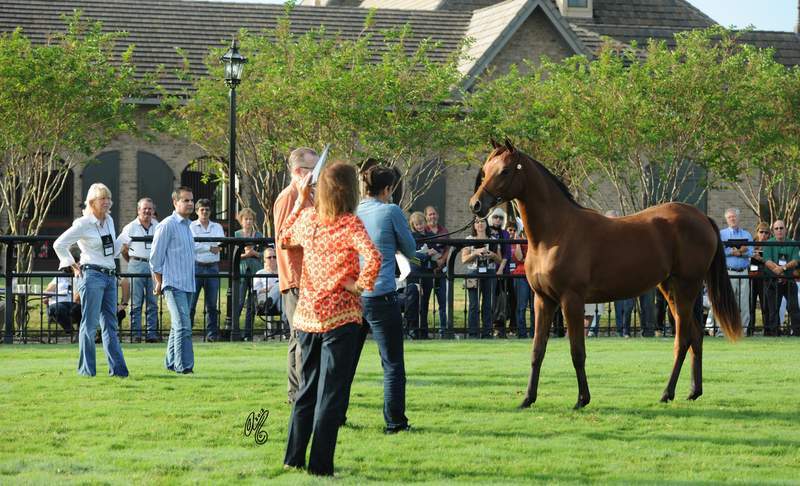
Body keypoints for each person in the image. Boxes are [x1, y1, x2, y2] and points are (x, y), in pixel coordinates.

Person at [281, 162, 381, 476]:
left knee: (306, 389)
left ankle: (293, 457)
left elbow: (284, 238)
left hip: (308, 314)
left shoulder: (309, 219)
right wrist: (359, 286)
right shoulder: (351, 223)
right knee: (332, 393)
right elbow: (375, 257)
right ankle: (320, 466)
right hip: (341, 315)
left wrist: (300, 198)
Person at [351, 164, 417, 434]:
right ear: (388, 189)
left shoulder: (355, 211)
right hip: (381, 295)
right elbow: (410, 248)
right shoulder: (391, 211)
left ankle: (336, 415)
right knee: (392, 365)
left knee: (345, 363)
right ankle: (395, 422)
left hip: (355, 296)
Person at [53, 182, 129, 377]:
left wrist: (123, 241)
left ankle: (119, 371)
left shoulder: (110, 220)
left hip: (110, 275)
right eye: (103, 198)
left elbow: (109, 251)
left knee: (110, 324)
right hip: (92, 276)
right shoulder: (83, 223)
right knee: (89, 324)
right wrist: (71, 263)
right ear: (92, 201)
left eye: (109, 198)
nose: (107, 202)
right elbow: (59, 244)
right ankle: (87, 371)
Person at [274, 147, 319, 404]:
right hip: (296, 277)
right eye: (313, 170)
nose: (318, 175)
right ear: (299, 171)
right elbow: (283, 238)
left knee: (300, 338)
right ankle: (302, 393)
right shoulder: (289, 197)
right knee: (302, 337)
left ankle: (299, 393)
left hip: (309, 276)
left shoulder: (308, 196)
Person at [150, 186, 196, 374]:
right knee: (183, 326)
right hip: (173, 284)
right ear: (175, 202)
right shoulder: (167, 225)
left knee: (179, 326)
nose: (190, 204)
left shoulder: (188, 226)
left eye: (192, 200)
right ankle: (183, 367)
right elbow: (155, 259)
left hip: (188, 284)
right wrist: (159, 282)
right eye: (185, 200)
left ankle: (171, 363)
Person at [118, 197, 160, 343]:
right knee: (136, 302)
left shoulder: (158, 225)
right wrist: (132, 260)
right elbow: (123, 248)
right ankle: (135, 334)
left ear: (153, 211)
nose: (147, 211)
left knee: (153, 302)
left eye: (150, 209)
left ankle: (152, 334)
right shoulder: (130, 227)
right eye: (144, 209)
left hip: (154, 266)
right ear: (138, 210)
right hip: (136, 263)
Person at [706, 207, 752, 336]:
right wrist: (735, 251)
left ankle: (742, 331)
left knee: (743, 303)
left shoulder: (746, 234)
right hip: (728, 273)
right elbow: (719, 252)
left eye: (734, 216)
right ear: (726, 219)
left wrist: (738, 251)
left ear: (739, 218)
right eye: (730, 217)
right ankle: (722, 331)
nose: (733, 219)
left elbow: (750, 251)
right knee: (725, 301)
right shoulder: (722, 234)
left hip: (743, 272)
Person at [189, 198, 225, 342]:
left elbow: (221, 242)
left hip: (212, 268)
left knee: (211, 304)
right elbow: (192, 245)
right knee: (191, 303)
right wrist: (209, 247)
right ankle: (187, 334)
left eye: (207, 210)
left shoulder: (216, 227)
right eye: (202, 209)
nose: (204, 212)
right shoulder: (191, 226)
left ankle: (212, 335)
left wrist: (204, 245)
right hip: (196, 267)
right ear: (197, 211)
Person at [461, 217, 502, 338]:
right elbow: (463, 260)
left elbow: (499, 259)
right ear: (474, 225)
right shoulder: (469, 240)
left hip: (489, 272)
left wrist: (492, 255)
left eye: (482, 221)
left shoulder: (494, 240)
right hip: (473, 272)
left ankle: (487, 332)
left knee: (488, 304)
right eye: (477, 222)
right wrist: (475, 253)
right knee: (473, 304)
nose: (480, 224)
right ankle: (473, 333)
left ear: (486, 224)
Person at [762, 219, 800, 336]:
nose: (779, 230)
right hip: (773, 281)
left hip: (789, 280)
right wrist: (778, 271)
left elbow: (796, 260)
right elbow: (767, 261)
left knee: (793, 308)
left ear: (785, 229)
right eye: (776, 228)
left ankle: (797, 332)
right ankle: (774, 332)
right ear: (773, 231)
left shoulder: (792, 243)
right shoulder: (768, 243)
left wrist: (782, 269)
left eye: (781, 228)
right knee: (773, 309)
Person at [405, 211, 439, 339]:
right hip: (414, 273)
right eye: (416, 224)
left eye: (421, 223)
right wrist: (424, 256)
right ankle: (412, 329)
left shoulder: (430, 235)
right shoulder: (411, 237)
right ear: (413, 225)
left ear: (425, 222)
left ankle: (423, 330)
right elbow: (409, 256)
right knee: (414, 301)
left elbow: (437, 250)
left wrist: (433, 252)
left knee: (425, 302)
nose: (419, 226)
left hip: (428, 272)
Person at [234, 207, 263, 341]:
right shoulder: (237, 235)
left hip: (256, 271)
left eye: (251, 219)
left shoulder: (258, 235)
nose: (248, 221)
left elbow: (266, 254)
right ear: (241, 220)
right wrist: (247, 254)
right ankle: (235, 331)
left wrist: (255, 253)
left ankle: (248, 333)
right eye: (246, 219)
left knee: (252, 303)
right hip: (241, 271)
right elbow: (235, 255)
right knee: (239, 301)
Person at [424, 206, 450, 337]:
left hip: (441, 270)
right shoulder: (423, 231)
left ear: (437, 215)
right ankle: (424, 330)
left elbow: (447, 249)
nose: (432, 217)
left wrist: (442, 260)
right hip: (427, 271)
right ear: (426, 217)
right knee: (425, 301)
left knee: (442, 302)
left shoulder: (444, 231)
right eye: (429, 215)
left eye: (434, 214)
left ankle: (443, 330)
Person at [487, 208, 511, 337]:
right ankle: (487, 327)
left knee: (502, 300)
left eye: (501, 218)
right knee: (489, 300)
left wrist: (501, 269)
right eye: (496, 217)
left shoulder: (505, 234)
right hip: (490, 269)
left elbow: (507, 253)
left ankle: (500, 329)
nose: (498, 219)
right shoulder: (487, 232)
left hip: (502, 271)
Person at [510, 226, 533, 338]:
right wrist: (518, 241)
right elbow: (518, 258)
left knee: (534, 307)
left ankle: (534, 332)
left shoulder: (534, 239)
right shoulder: (517, 239)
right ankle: (522, 333)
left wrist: (527, 260)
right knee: (521, 306)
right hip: (521, 275)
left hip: (534, 275)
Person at [749, 221, 771, 335]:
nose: (763, 234)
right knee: (751, 304)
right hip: (752, 277)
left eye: (766, 232)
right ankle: (750, 329)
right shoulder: (751, 244)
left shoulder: (770, 245)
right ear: (757, 232)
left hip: (764, 278)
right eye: (761, 232)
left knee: (765, 305)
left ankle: (767, 330)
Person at [253, 247, 282, 316]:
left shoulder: (282, 273)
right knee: (279, 285)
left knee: (282, 298)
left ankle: (270, 302)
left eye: (274, 257)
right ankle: (286, 323)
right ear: (264, 259)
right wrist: (269, 289)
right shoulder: (260, 273)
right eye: (269, 257)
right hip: (264, 298)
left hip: (280, 298)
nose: (272, 259)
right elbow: (256, 291)